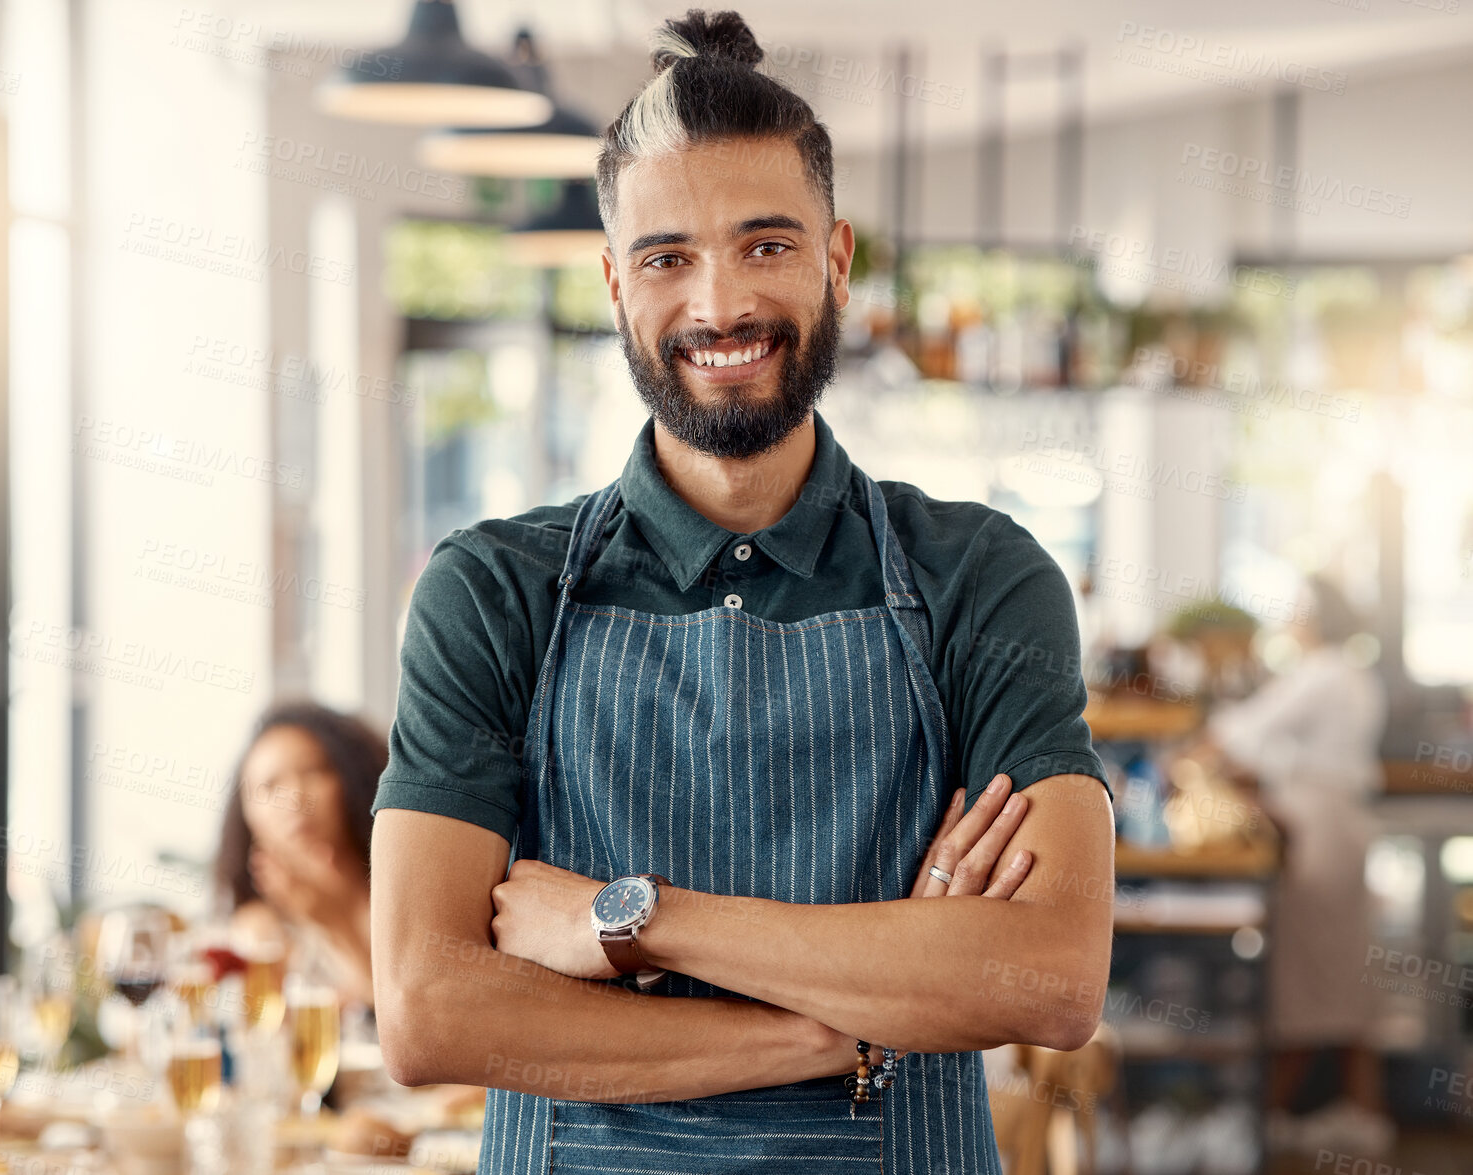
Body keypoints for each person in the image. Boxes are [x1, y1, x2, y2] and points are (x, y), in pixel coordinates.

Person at [369, 11, 1115, 1173]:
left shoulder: (980, 575)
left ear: (839, 260)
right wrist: (843, 1022)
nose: (720, 305)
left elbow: (1052, 975)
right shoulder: (493, 590)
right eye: (668, 257)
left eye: (766, 245)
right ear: (616, 284)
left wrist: (627, 917)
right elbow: (430, 1008)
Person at [1198, 575, 1391, 1154]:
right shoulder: (1350, 675)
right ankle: (1359, 1115)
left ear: (1314, 618)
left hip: (1320, 837)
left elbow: (1237, 732)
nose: (1289, 622)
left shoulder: (1323, 674)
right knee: (1342, 979)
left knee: (1308, 981)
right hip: (1337, 829)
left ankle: (1271, 1121)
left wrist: (1186, 756)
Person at [214, 701, 386, 1011]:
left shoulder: (403, 887)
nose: (294, 797)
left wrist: (334, 919)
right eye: (269, 786)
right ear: (247, 815)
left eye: (313, 771)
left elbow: (413, 1020)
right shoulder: (259, 932)